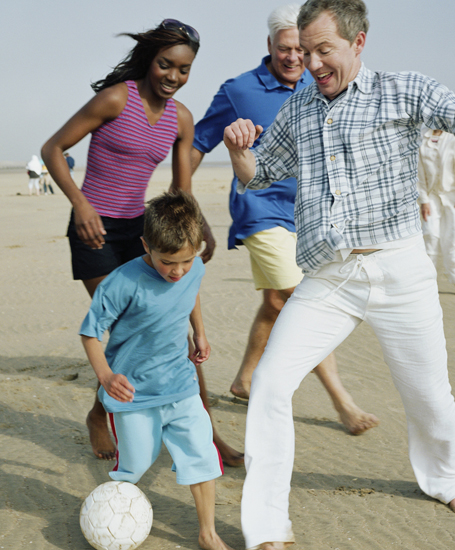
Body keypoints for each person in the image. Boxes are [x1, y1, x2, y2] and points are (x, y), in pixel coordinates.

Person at [221, 0, 455, 547]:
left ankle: (446, 478)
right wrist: (240, 150)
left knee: (428, 392)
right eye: (304, 51)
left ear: (358, 44)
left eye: (323, 50)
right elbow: (260, 175)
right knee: (267, 385)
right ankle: (266, 525)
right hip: (330, 278)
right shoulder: (301, 107)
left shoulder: (403, 89)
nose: (310, 63)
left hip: (400, 269)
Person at [41, 20, 242, 466]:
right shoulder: (117, 98)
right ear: (150, 61)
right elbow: (53, 148)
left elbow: (181, 189)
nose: (173, 76)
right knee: (131, 325)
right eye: (165, 65)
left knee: (171, 325)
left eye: (183, 69)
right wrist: (80, 204)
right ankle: (103, 416)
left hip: (142, 232)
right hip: (94, 230)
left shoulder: (181, 118)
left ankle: (203, 431)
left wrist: (199, 228)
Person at [191, 3, 378, 436]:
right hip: (260, 210)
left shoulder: (321, 86)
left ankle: (244, 379)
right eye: (285, 49)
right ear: (269, 46)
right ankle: (341, 401)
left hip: (310, 214)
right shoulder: (238, 90)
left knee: (276, 301)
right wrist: (184, 198)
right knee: (299, 298)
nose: (295, 58)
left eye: (302, 49)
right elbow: (198, 141)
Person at [80, 192, 232, 550]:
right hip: (134, 395)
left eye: (186, 261)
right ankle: (110, 521)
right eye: (167, 262)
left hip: (181, 386)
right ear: (146, 245)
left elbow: (192, 290)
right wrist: (106, 377)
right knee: (135, 464)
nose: (177, 271)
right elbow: (90, 333)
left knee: (201, 454)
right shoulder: (122, 282)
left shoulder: (193, 267)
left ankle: (208, 533)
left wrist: (199, 332)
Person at [418, 129, 455, 296]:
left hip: (454, 194)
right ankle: (427, 283)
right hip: (431, 195)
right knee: (430, 235)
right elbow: (418, 171)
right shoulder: (421, 137)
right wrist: (423, 200)